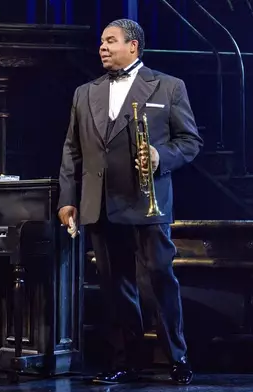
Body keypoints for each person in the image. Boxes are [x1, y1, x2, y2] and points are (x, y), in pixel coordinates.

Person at [57, 19, 203, 385]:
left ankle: (177, 357)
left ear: (133, 46)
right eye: (101, 42)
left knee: (158, 278)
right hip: (101, 203)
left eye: (111, 41)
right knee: (115, 285)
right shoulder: (84, 92)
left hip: (145, 200)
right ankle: (127, 360)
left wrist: (159, 157)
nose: (102, 47)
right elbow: (72, 151)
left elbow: (190, 141)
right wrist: (68, 199)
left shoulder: (168, 87)